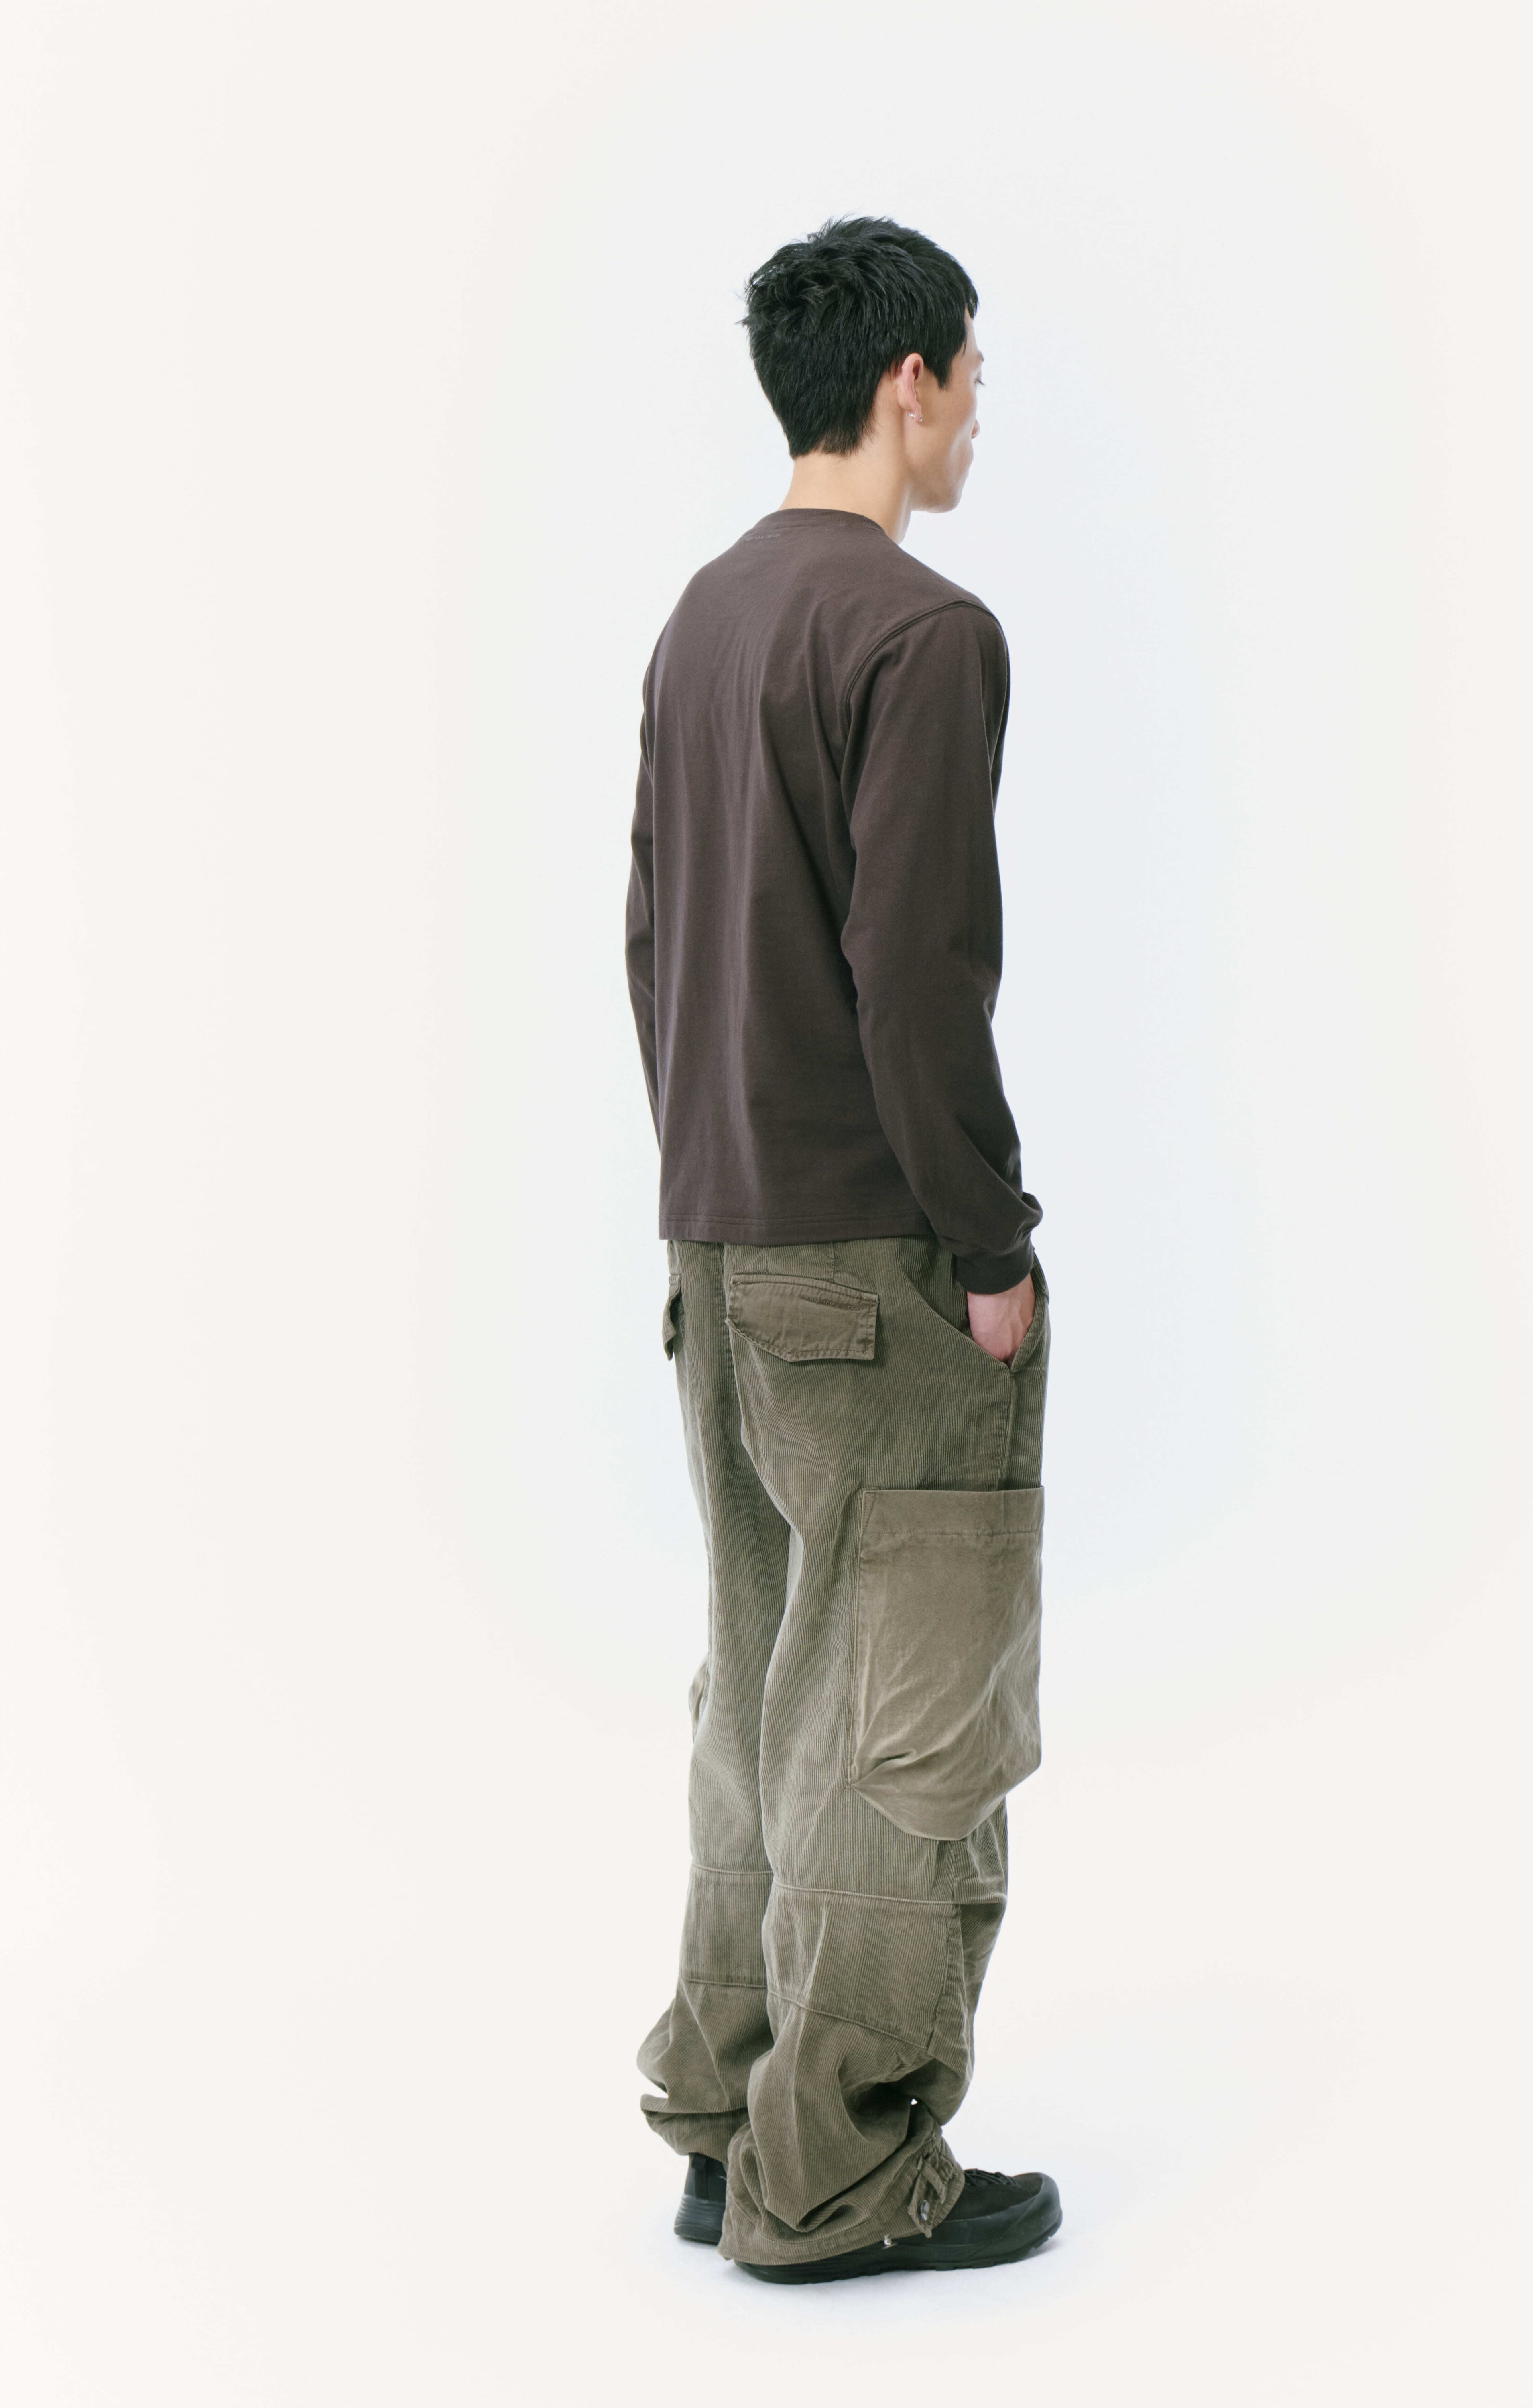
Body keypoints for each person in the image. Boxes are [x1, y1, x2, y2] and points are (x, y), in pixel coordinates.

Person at [624, 216, 1059, 2283]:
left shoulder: (704, 616)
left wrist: (710, 1182)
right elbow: (914, 978)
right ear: (906, 383)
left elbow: (648, 939)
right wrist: (988, 1246)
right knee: (906, 1709)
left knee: (763, 1696)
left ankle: (729, 2119)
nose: (973, 419)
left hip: (718, 1247)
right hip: (877, 1265)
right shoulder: (920, 633)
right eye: (968, 382)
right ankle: (844, 2168)